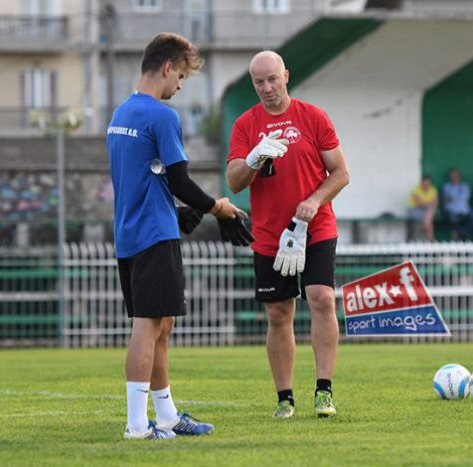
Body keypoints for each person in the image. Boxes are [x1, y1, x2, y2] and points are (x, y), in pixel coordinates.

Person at [106, 32, 253, 440]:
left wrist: (181, 213)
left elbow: (145, 179)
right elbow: (180, 180)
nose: (180, 86)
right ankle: (137, 426)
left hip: (131, 232)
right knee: (147, 325)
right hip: (154, 234)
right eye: (182, 76)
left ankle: (166, 415)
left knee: (162, 323)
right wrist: (217, 208)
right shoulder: (162, 116)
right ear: (167, 67)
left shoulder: (121, 114)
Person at [226, 51, 350, 419]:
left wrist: (314, 200)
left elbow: (340, 173)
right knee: (279, 313)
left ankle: (324, 392)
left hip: (315, 226)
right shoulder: (246, 125)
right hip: (268, 233)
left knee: (322, 298)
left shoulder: (313, 117)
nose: (266, 88)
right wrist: (253, 160)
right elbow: (234, 183)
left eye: (272, 79)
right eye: (259, 82)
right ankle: (285, 398)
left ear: (286, 76)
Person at [442, 168, 473, 240]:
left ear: (459, 176)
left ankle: (461, 234)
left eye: (456, 175)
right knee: (452, 219)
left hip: (464, 210)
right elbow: (448, 199)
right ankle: (461, 235)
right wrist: (456, 194)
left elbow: (465, 197)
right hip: (451, 210)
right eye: (453, 176)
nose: (455, 177)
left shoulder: (465, 186)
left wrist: (454, 197)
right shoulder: (447, 186)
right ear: (450, 177)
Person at [407, 174, 438, 241]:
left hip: (427, 211)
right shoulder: (416, 190)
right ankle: (431, 240)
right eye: (425, 183)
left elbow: (436, 202)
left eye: (428, 183)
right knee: (429, 216)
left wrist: (427, 204)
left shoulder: (432, 189)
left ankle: (425, 228)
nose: (427, 185)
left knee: (430, 212)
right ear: (422, 182)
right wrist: (429, 203)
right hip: (415, 210)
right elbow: (419, 204)